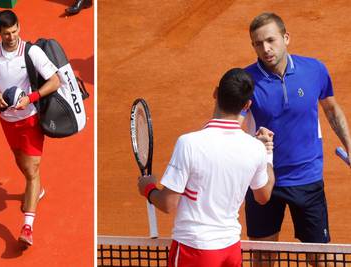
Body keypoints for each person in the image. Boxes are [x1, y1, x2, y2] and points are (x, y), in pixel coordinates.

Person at [137, 68, 275, 267]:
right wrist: (267, 155)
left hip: (195, 250)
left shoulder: (189, 143)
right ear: (247, 105)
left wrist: (148, 189)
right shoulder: (255, 148)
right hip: (231, 251)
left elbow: (168, 204)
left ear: (215, 92)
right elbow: (263, 196)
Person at [244, 12, 351, 266]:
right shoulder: (245, 80)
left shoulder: (314, 70)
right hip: (263, 180)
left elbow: (331, 109)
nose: (266, 49)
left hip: (307, 177)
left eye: (271, 40)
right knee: (263, 257)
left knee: (320, 258)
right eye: (258, 44)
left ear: (286, 38)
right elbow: (232, 122)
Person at [0, 10, 60, 246]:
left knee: (32, 171)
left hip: (31, 119)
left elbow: (55, 81)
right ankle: (37, 189)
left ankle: (27, 227)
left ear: (19, 27)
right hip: (7, 121)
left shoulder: (32, 52)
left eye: (14, 31)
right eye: (6, 33)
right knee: (21, 163)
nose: (11, 37)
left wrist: (31, 98)